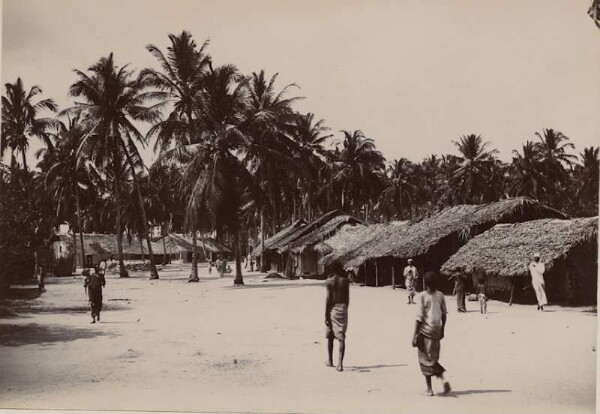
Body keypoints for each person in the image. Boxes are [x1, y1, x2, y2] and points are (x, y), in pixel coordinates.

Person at [412, 271, 451, 396]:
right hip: (436, 331)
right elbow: (444, 315)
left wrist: (414, 335)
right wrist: (442, 330)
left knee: (424, 359)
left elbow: (419, 317)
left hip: (425, 332)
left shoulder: (423, 296)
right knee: (432, 358)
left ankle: (429, 389)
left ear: (425, 283)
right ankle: (444, 380)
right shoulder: (440, 295)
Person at [325, 260, 350, 372]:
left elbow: (328, 299)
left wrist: (326, 314)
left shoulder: (329, 282)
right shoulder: (345, 281)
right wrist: (345, 309)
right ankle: (340, 364)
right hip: (342, 308)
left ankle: (330, 361)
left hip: (332, 309)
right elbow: (347, 298)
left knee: (330, 334)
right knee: (341, 337)